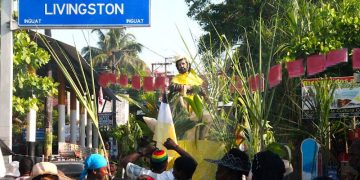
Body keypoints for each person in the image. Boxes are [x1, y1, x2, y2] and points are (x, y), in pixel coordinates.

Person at [121, 138, 197, 180]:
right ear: (166, 163)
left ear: (151, 163)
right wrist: (175, 147)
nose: (173, 171)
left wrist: (144, 151)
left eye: (174, 169)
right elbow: (192, 164)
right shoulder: (180, 176)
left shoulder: (144, 175)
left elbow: (125, 161)